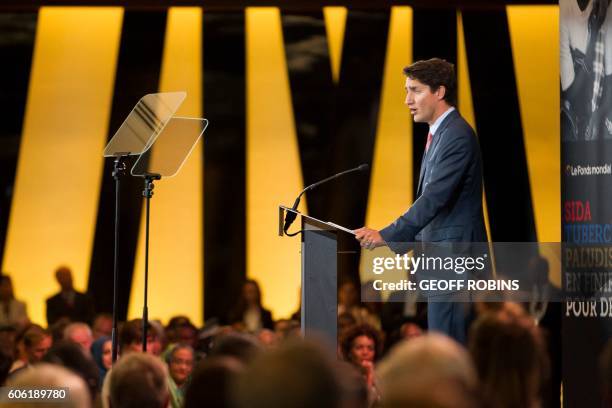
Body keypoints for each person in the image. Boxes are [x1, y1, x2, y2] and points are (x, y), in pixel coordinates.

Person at [356, 58, 487, 344]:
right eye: (407, 91)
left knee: (450, 348)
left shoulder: (456, 136)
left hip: (454, 260)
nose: (407, 100)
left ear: (439, 92)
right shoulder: (440, 134)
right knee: (444, 346)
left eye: (415, 90)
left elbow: (433, 199)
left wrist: (388, 236)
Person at [164, 344, 194, 408]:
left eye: (188, 363)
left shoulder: (194, 386)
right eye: (178, 362)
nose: (183, 367)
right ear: (169, 363)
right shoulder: (162, 386)